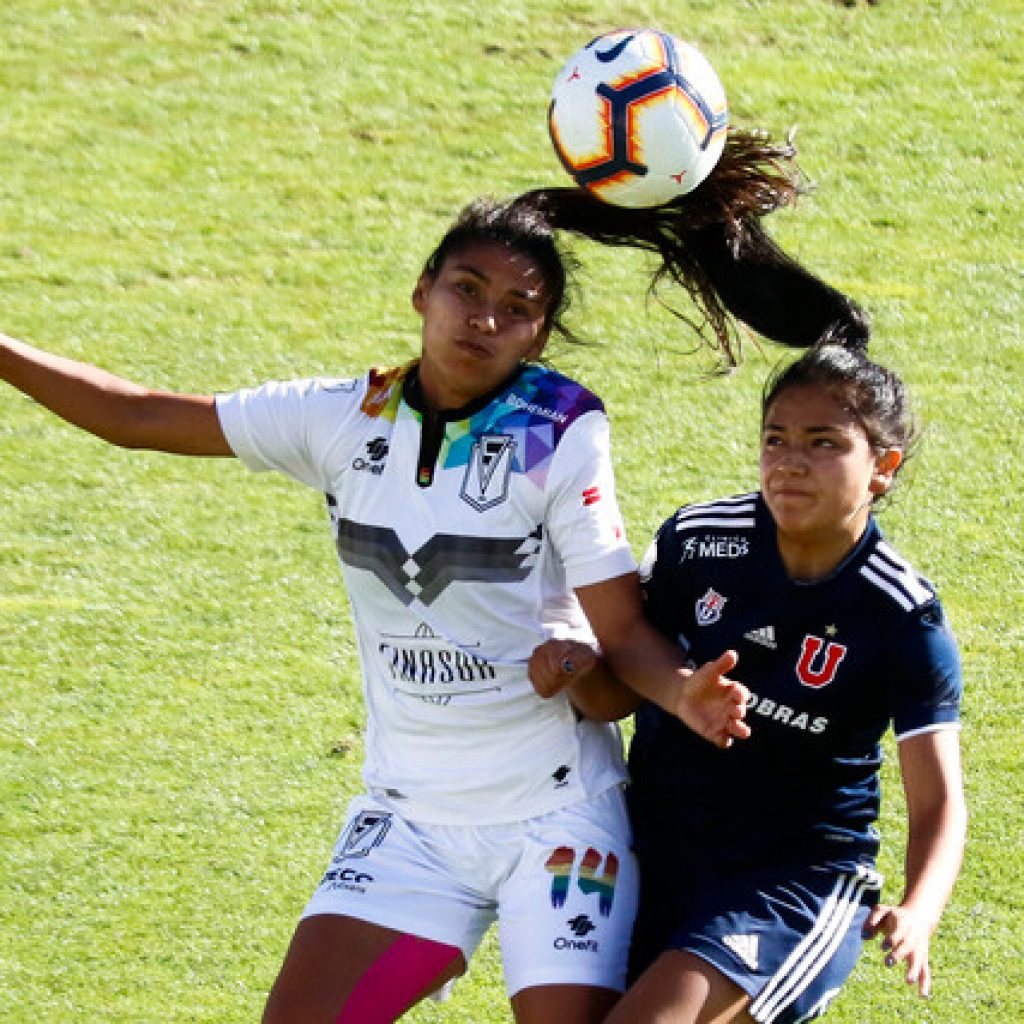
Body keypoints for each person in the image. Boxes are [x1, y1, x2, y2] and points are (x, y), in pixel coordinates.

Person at [2, 141, 867, 1022]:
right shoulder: (342, 415)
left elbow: (621, 633)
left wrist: (681, 693)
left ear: (540, 335)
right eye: (467, 291)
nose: (485, 320)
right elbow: (139, 416)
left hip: (558, 825)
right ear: (422, 292)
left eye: (518, 309)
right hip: (410, 821)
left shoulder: (560, 431)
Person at [531, 339, 967, 1023]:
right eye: (776, 439)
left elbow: (939, 802)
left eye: (823, 443)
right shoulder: (699, 542)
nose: (790, 462)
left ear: (883, 467)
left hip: (793, 881)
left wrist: (919, 910)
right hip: (656, 851)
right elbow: (619, 689)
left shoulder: (902, 614)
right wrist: (577, 670)